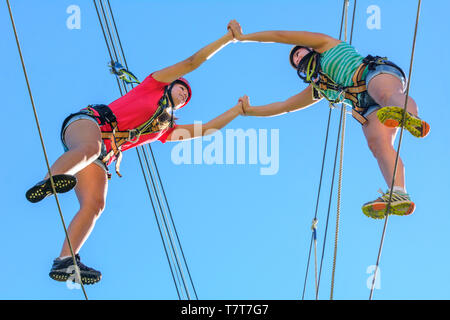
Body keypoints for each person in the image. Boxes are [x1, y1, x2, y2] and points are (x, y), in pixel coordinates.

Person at [25, 25, 244, 285]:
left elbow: (206, 129)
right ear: (170, 84)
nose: (183, 93)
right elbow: (191, 62)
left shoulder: (165, 129)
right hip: (88, 124)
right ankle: (51, 179)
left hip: (100, 155)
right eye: (180, 88)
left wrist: (238, 111)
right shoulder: (153, 85)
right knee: (90, 148)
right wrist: (227, 39)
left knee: (96, 205)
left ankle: (65, 260)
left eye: (186, 96)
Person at [227, 20, 430, 220]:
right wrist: (249, 111)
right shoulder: (318, 88)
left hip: (373, 74)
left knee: (384, 94)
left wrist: (244, 38)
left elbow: (282, 36)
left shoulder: (326, 45)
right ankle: (398, 192)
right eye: (295, 62)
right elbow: (284, 106)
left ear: (309, 48)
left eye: (298, 53)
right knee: (377, 144)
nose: (297, 59)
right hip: (366, 106)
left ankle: (409, 117)